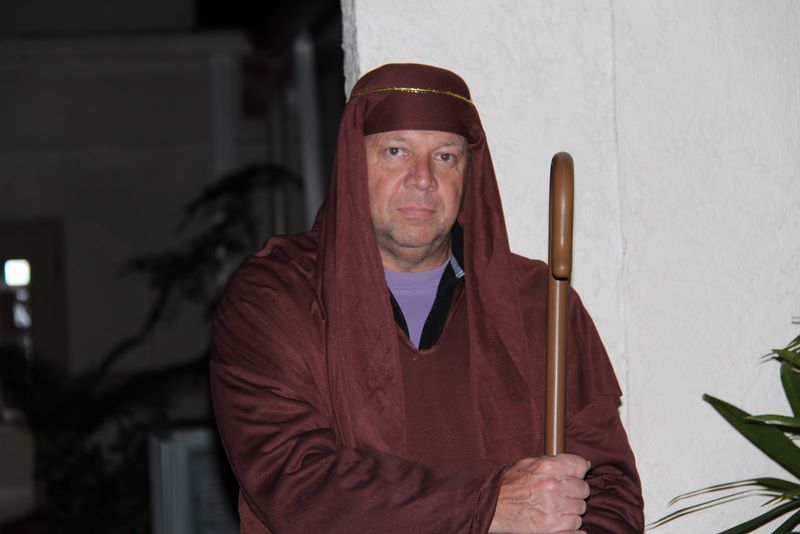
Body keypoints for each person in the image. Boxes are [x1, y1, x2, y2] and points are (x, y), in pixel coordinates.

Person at [210, 63, 644, 533]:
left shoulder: (539, 304)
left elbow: (609, 490)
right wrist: (488, 506)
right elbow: (297, 483)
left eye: (445, 157)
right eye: (396, 151)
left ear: (469, 174)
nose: (422, 178)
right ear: (354, 164)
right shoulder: (273, 299)